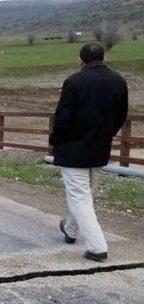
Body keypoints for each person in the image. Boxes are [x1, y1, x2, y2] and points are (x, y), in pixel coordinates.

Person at [49, 43, 129, 262]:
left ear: (81, 59)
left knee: (80, 198)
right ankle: (70, 230)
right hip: (100, 147)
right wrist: (106, 134)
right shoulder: (118, 81)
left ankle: (97, 247)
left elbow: (63, 116)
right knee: (84, 195)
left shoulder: (74, 81)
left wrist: (56, 140)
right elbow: (121, 115)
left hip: (74, 149)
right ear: (103, 57)